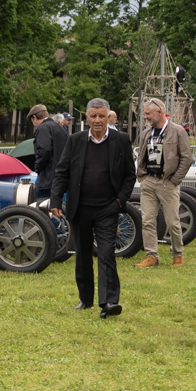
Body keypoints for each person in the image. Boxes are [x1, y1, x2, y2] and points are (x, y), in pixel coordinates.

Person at [49, 98, 136, 318]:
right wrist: (56, 201)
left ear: (108, 116)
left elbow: (129, 174)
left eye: (101, 116)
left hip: (108, 207)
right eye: (93, 116)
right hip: (80, 208)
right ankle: (85, 299)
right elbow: (62, 172)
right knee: (83, 255)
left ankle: (109, 302)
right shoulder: (75, 140)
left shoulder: (121, 140)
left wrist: (119, 201)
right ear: (86, 117)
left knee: (106, 253)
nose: (97, 120)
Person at [133, 97, 192, 267]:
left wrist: (175, 180)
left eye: (148, 113)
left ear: (159, 112)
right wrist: (143, 177)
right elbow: (142, 155)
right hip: (149, 181)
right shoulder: (146, 133)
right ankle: (152, 255)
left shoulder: (178, 131)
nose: (146, 117)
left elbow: (186, 158)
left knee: (172, 221)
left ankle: (177, 255)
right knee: (147, 220)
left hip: (168, 183)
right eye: (145, 114)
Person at [29, 104, 68, 188]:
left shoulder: (43, 128)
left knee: (41, 200)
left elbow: (44, 149)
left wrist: (37, 167)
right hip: (61, 177)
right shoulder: (61, 128)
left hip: (48, 177)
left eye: (32, 120)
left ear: (35, 117)